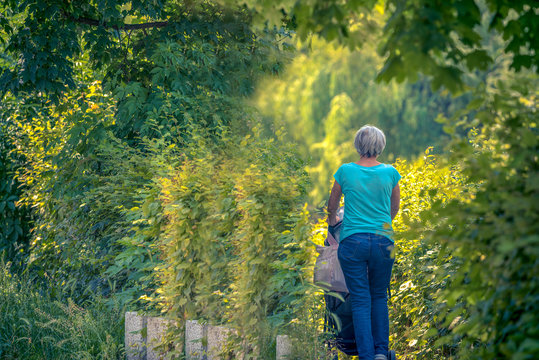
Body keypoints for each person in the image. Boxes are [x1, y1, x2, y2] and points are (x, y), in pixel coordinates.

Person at [327, 125, 401, 360]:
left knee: (360, 299)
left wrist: (332, 219)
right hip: (383, 242)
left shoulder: (345, 171)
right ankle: (381, 353)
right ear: (380, 146)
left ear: (358, 145)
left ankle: (367, 356)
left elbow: (333, 204)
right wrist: (381, 225)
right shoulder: (391, 173)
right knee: (379, 295)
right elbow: (394, 207)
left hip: (353, 243)